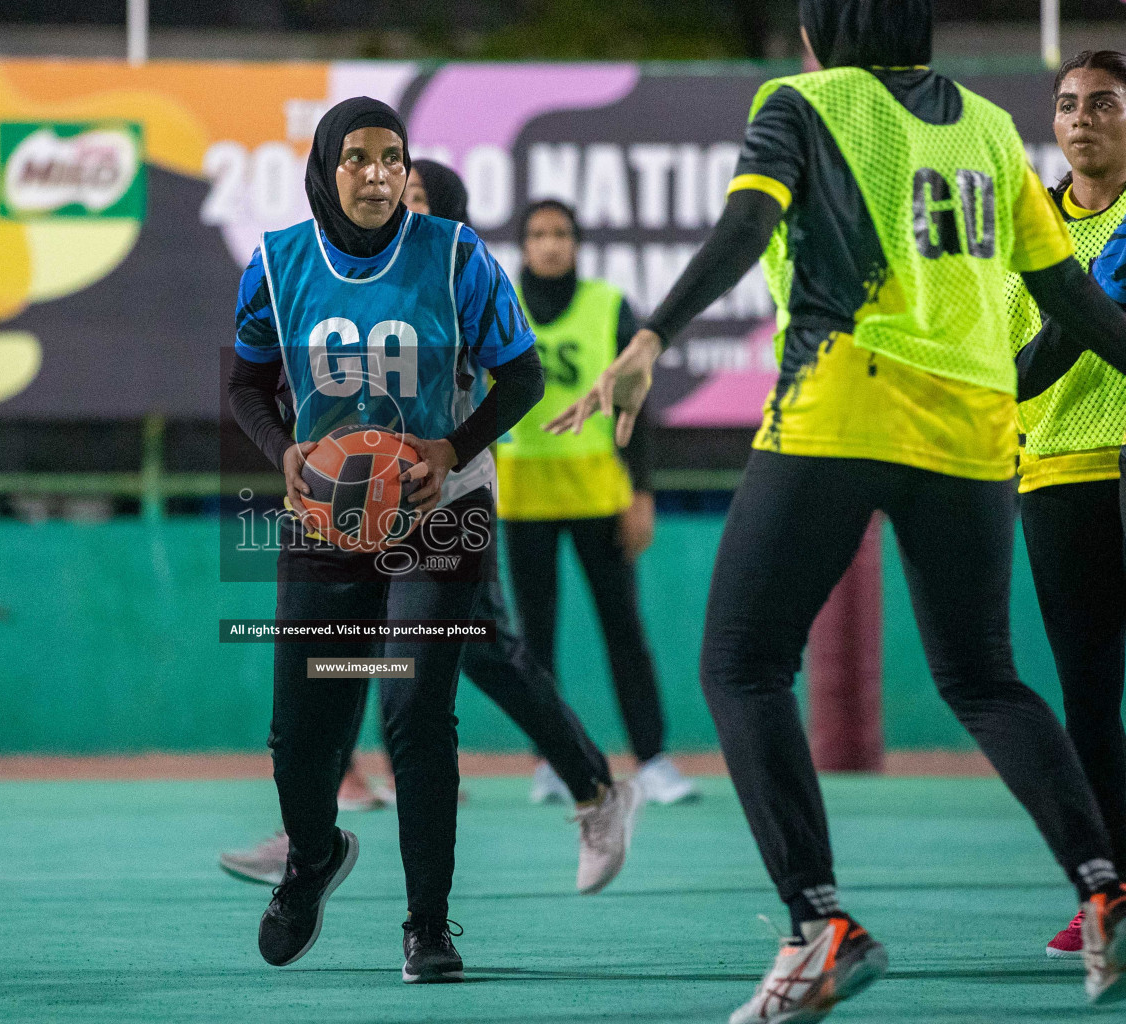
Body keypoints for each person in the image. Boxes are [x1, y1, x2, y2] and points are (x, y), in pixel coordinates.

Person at [550, 1, 1126, 1017]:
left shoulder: (802, 103)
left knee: (741, 661)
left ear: (821, 32)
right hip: (977, 432)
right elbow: (1074, 296)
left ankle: (818, 924)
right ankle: (1107, 888)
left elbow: (748, 222)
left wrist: (654, 337)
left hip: (844, 404)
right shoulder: (991, 126)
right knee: (986, 677)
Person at [228, 116, 643, 982]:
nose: (377, 175)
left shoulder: (457, 259)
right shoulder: (276, 262)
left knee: (416, 708)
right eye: (357, 159)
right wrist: (285, 454)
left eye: (392, 159)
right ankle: (312, 857)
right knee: (298, 729)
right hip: (326, 515)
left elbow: (522, 374)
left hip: (440, 511)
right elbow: (242, 385)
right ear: (325, 170)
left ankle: (428, 926)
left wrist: (452, 450)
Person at [498, 198, 696, 807]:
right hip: (522, 492)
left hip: (597, 491)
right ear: (524, 244)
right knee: (536, 636)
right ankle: (552, 765)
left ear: (577, 243)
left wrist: (641, 492)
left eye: (561, 233)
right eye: (538, 233)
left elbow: (638, 401)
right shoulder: (498, 303)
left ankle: (652, 759)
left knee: (623, 629)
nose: (551, 243)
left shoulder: (608, 305)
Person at [1006, 50, 1126, 962]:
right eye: (1069, 104)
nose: (1082, 118)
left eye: (1106, 104)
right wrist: (1087, 308)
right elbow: (1017, 366)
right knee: (1087, 702)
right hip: (1054, 477)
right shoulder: (1026, 227)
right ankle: (1108, 889)